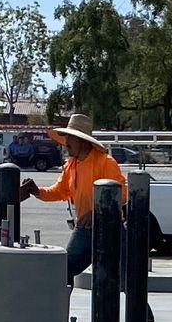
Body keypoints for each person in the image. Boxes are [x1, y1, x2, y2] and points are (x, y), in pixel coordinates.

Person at [20, 111, 130, 280]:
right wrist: (38, 191)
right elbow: (60, 191)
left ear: (82, 141)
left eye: (70, 138)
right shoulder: (71, 165)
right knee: (64, 272)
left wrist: (95, 213)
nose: (66, 143)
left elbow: (121, 194)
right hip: (84, 230)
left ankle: (140, 308)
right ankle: (58, 306)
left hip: (110, 229)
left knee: (127, 281)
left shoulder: (105, 162)